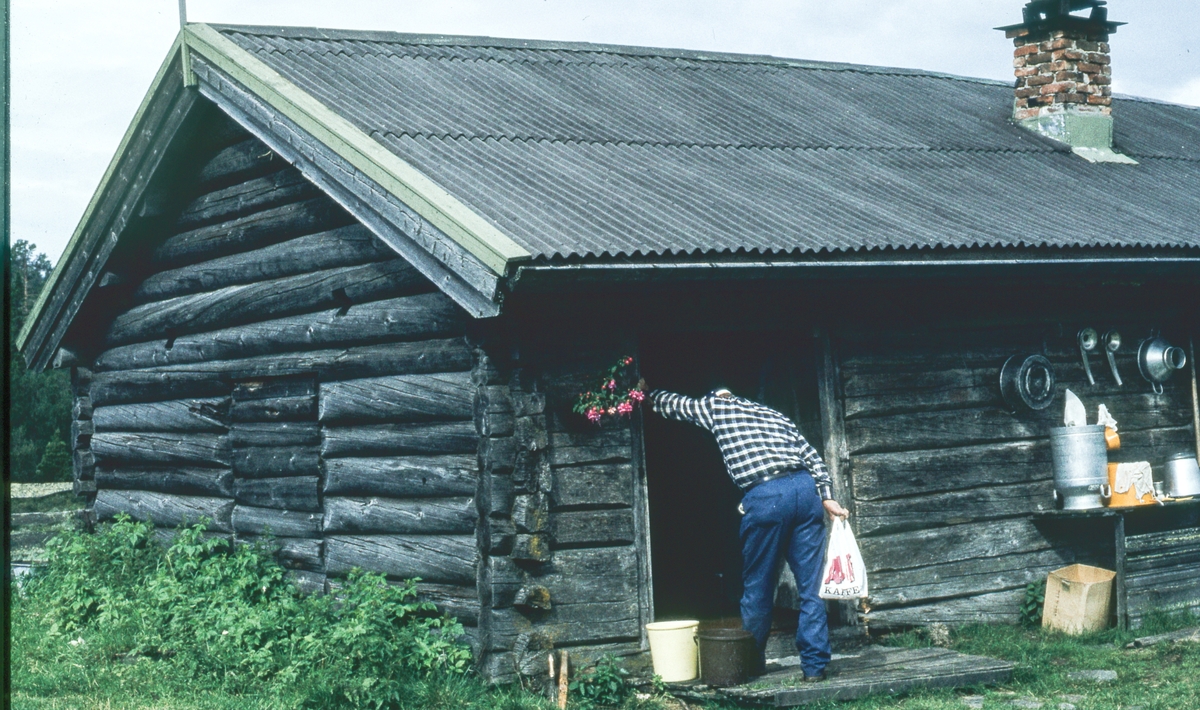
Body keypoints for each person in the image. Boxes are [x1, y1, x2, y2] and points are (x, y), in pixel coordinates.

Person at [640, 380, 849, 682]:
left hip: (765, 495)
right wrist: (827, 496)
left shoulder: (717, 406)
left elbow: (675, 405)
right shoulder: (774, 415)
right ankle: (815, 668)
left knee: (758, 585)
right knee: (812, 588)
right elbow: (813, 457)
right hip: (805, 491)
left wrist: (644, 393)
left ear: (716, 396)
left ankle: (751, 664)